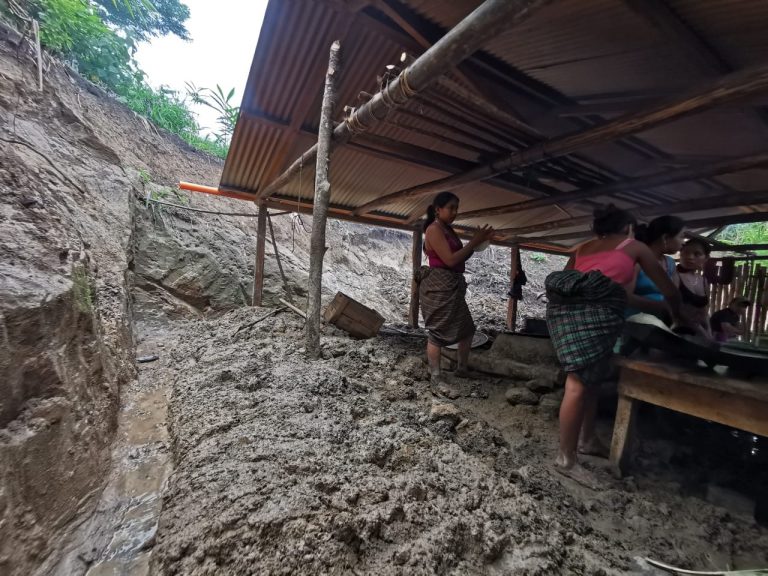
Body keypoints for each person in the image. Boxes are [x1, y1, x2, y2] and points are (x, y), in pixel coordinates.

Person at [546, 204, 681, 488]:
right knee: (578, 384)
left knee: (591, 379)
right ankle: (565, 459)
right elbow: (668, 288)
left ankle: (587, 440)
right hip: (597, 317)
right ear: (627, 229)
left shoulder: (582, 249)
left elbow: (568, 284)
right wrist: (677, 313)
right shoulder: (633, 247)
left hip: (568, 317)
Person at [418, 191, 493, 383]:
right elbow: (450, 260)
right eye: (451, 208)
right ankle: (435, 374)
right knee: (438, 330)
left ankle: (462, 368)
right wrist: (473, 243)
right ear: (438, 210)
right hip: (439, 284)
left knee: (467, 328)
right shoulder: (434, 229)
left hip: (452, 284)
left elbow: (460, 257)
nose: (455, 212)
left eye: (456, 208)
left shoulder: (448, 229)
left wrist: (476, 245)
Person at [626, 215, 686, 320]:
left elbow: (674, 295)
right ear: (665, 238)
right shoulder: (636, 262)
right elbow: (625, 296)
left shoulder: (670, 263)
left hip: (661, 321)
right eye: (681, 236)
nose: (684, 242)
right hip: (635, 323)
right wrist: (659, 306)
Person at [675, 238, 712, 338]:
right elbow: (674, 310)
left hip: (698, 334)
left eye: (697, 254)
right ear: (680, 254)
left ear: (706, 258)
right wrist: (701, 331)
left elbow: (704, 312)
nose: (690, 257)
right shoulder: (674, 276)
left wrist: (708, 331)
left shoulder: (703, 281)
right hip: (676, 333)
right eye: (686, 252)